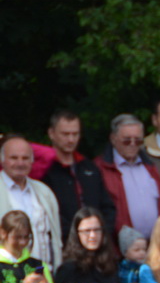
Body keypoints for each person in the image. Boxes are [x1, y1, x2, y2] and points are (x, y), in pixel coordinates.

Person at [37, 111, 114, 241]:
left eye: (75, 134)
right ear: (51, 134)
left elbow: (107, 206)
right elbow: (45, 212)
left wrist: (101, 232)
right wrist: (77, 234)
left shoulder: (89, 167)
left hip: (96, 241)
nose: (71, 139)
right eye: (65, 134)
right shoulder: (44, 170)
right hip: (62, 242)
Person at [0, 134, 63, 268]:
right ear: (2, 160)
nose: (20, 163)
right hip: (8, 278)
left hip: (45, 275)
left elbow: (56, 239)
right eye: (14, 158)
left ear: (32, 161)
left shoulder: (44, 191)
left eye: (25, 158)